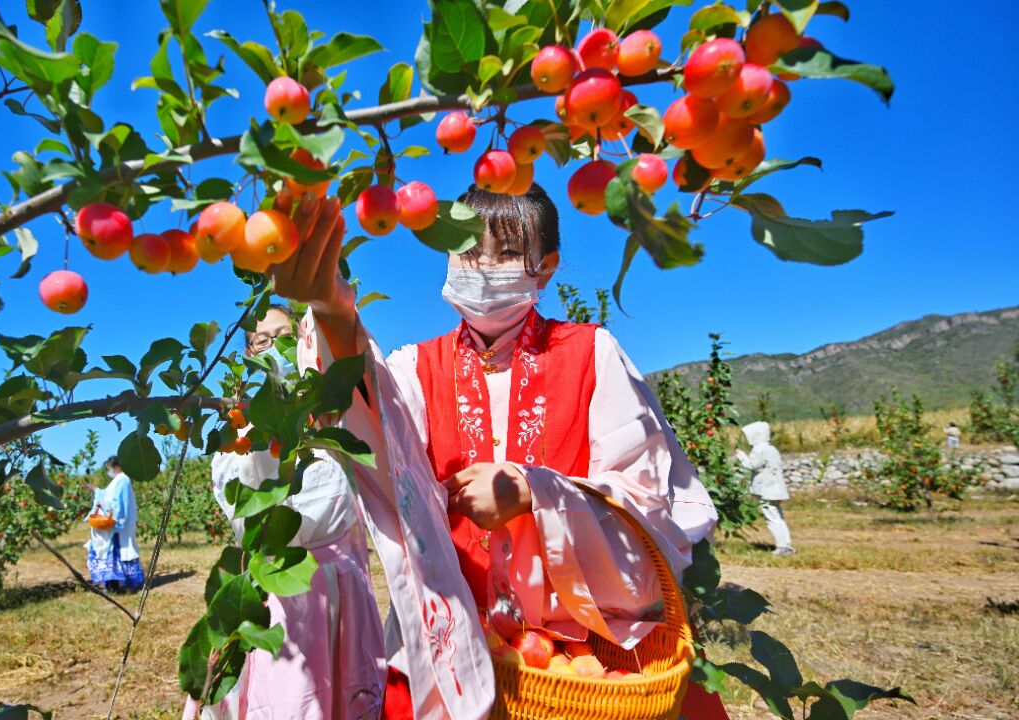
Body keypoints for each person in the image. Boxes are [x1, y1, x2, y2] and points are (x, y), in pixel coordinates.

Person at [269, 185, 728, 719]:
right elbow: (372, 423)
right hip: (453, 650)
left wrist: (538, 492)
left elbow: (656, 508)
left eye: (508, 253)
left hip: (579, 663)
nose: (483, 266)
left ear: (546, 265)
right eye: (466, 249)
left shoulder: (592, 355)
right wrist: (329, 304)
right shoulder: (416, 368)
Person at [185, 304, 386, 719]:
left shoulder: (333, 418)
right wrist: (262, 436)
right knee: (288, 702)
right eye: (263, 340)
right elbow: (249, 522)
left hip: (342, 597)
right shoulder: (240, 433)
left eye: (285, 337)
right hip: (278, 600)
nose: (275, 348)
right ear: (247, 354)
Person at [85, 456, 144, 592]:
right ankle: (113, 584)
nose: (109, 472)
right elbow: (107, 496)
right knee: (113, 552)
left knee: (116, 552)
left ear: (116, 467)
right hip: (114, 523)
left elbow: (119, 502)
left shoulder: (123, 480)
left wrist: (117, 520)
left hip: (117, 524)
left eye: (109, 469)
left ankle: (116, 584)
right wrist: (95, 490)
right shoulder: (118, 481)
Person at [736, 421, 795, 557]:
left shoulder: (759, 449)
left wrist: (741, 455)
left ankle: (782, 547)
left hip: (766, 490)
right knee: (778, 517)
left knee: (772, 518)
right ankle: (786, 544)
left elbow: (751, 465)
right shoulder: (771, 448)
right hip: (775, 488)